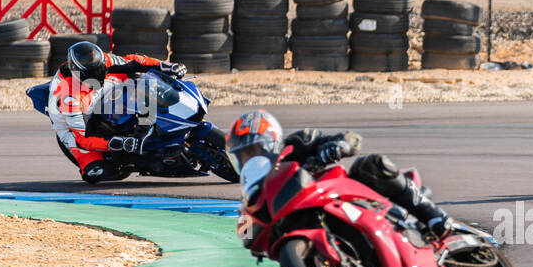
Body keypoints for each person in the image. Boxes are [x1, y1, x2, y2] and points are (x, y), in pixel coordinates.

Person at [224, 110, 452, 237]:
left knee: (371, 165)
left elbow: (354, 139)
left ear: (270, 142)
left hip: (341, 193)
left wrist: (338, 146)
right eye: (243, 156)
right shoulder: (255, 194)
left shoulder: (298, 143)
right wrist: (248, 230)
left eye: (253, 151)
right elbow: (245, 233)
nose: (250, 159)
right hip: (308, 218)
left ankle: (436, 217)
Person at [46, 41, 186, 183]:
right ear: (80, 74)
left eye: (100, 68)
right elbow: (82, 139)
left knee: (137, 75)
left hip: (96, 90)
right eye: (94, 73)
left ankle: (149, 120)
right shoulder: (68, 97)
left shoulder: (99, 61)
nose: (99, 73)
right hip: (74, 127)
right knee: (98, 173)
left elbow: (134, 61)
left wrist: (166, 66)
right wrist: (119, 143)